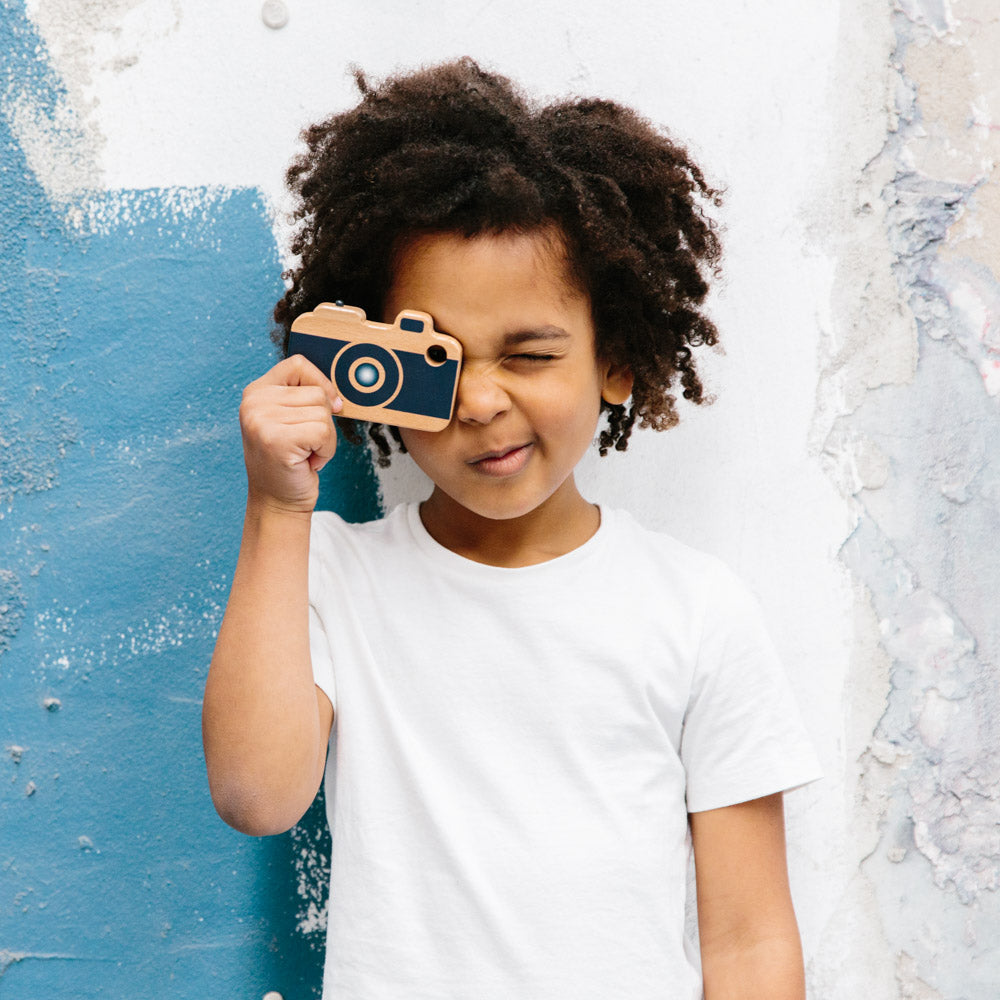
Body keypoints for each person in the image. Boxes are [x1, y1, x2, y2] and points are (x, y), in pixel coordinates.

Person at [202, 58, 821, 1000]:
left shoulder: (696, 611)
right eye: (438, 358)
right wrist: (278, 508)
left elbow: (749, 943)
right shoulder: (329, 574)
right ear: (372, 362)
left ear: (617, 358)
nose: (484, 401)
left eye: (529, 355)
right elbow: (256, 795)